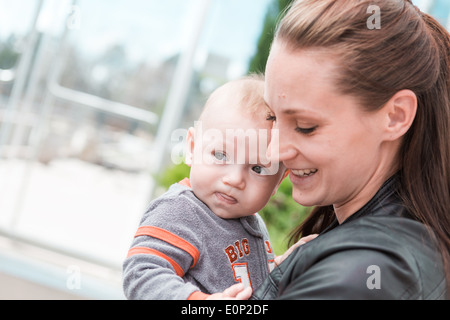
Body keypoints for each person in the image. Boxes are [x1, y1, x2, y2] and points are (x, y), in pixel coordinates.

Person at [252, 0, 449, 299]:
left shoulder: (361, 276)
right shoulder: (391, 252)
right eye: (272, 117)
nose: (274, 151)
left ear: (395, 116)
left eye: (305, 126)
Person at [123, 76, 297, 300]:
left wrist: (281, 269)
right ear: (193, 148)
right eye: (221, 155)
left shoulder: (250, 220)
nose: (234, 179)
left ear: (278, 182)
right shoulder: (180, 211)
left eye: (257, 168)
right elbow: (141, 275)